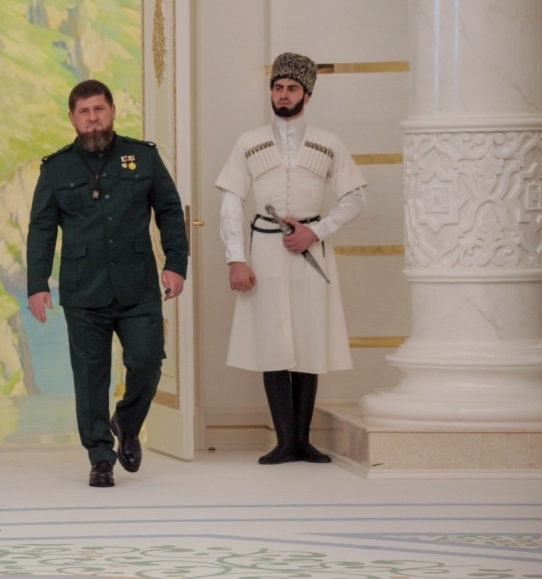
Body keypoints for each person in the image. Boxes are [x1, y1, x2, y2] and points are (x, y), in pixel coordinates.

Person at [26, 79, 188, 487]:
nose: (93, 118)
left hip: (138, 286)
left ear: (112, 111)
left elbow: (169, 211)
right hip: (83, 289)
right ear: (72, 118)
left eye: (99, 109)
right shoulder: (56, 168)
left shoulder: (143, 157)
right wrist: (37, 283)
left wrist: (176, 263)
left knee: (147, 362)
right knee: (90, 376)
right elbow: (41, 229)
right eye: (84, 112)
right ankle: (100, 456)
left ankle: (127, 423)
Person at [215, 52, 367, 464]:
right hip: (264, 251)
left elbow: (356, 197)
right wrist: (236, 258)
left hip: (310, 249)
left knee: (308, 338)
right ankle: (284, 441)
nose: (283, 95)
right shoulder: (248, 142)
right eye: (278, 88)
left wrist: (315, 231)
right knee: (272, 341)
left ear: (307, 94)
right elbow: (231, 203)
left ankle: (303, 441)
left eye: (292, 88)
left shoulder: (329, 143)